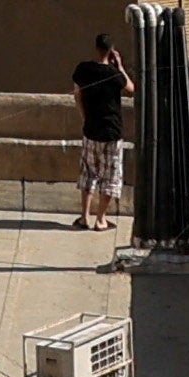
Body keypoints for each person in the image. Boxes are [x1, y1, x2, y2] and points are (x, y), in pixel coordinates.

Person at [72, 32, 132, 231]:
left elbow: (77, 95)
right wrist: (120, 66)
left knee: (89, 174)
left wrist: (84, 117)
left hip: (91, 129)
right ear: (111, 51)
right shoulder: (114, 75)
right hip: (112, 132)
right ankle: (101, 219)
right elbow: (131, 88)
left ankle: (84, 217)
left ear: (96, 47)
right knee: (110, 176)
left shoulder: (83, 69)